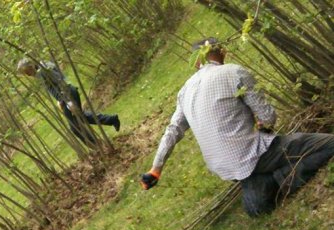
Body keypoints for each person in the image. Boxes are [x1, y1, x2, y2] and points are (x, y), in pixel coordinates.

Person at [142, 37, 334, 217]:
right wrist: (262, 126)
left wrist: (156, 169)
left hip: (225, 168)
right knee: (329, 144)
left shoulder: (184, 92)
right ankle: (283, 175)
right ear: (222, 52)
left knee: (258, 208)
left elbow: (173, 130)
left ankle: (262, 188)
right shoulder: (234, 72)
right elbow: (269, 117)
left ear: (196, 62)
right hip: (254, 154)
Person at [17, 58, 121, 146]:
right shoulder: (41, 70)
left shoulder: (43, 69)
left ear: (30, 66)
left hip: (68, 94)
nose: (27, 75)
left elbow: (60, 80)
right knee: (82, 117)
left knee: (74, 126)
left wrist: (68, 101)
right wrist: (60, 100)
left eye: (27, 72)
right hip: (65, 96)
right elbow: (53, 86)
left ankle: (97, 145)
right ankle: (111, 120)